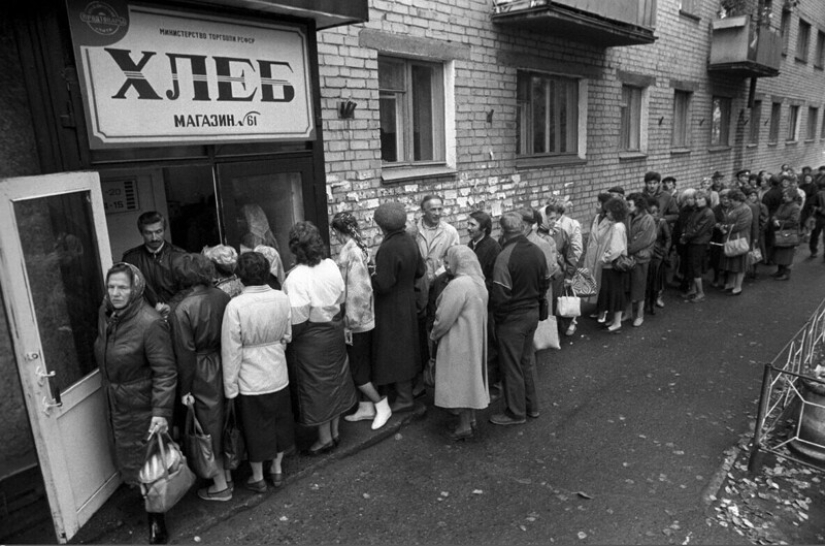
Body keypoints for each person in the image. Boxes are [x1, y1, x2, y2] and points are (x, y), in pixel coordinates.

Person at [93, 263, 177, 544]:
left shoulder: (149, 322)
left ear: (136, 288)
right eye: (111, 286)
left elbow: (165, 371)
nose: (115, 293)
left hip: (143, 406)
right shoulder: (106, 314)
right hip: (117, 402)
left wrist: (161, 412)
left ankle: (157, 520)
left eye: (122, 287)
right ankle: (145, 502)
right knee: (130, 459)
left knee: (151, 464)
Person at [282, 222, 358, 454]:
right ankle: (334, 432)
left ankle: (324, 439)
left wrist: (287, 339)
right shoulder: (330, 265)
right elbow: (342, 296)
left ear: (295, 248)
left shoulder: (295, 278)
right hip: (333, 330)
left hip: (311, 337)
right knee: (335, 381)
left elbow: (298, 318)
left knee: (316, 388)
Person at [222, 252, 294, 493]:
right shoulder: (281, 297)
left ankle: (257, 477)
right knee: (279, 423)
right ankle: (277, 469)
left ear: (240, 276)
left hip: (250, 378)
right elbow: (287, 335)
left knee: (255, 427)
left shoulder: (235, 306)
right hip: (278, 372)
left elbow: (231, 350)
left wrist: (230, 388)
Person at [169, 254, 232, 501]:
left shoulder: (183, 308)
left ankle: (220, 486)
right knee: (224, 420)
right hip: (224, 360)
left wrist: (184, 390)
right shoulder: (222, 296)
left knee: (207, 427)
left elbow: (185, 353)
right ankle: (226, 476)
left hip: (201, 370)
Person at [331, 212, 392, 430]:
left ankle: (381, 405)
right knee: (362, 366)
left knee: (358, 370)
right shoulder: (356, 248)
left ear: (338, 232)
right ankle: (366, 408)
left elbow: (358, 290)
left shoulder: (352, 252)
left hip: (357, 321)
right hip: (361, 319)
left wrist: (350, 321)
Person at [489, 212, 549, 426]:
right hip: (532, 313)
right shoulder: (537, 251)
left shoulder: (504, 257)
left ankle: (515, 412)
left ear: (502, 230)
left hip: (512, 319)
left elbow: (500, 296)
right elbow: (546, 282)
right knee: (527, 361)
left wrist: (500, 319)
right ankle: (532, 407)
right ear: (522, 228)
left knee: (511, 366)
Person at [430, 246, 490, 440]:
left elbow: (444, 317)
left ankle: (464, 427)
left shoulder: (459, 285)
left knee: (460, 382)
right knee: (471, 380)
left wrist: (434, 333)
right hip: (474, 338)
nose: (447, 266)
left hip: (458, 341)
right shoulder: (478, 281)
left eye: (449, 261)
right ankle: (471, 419)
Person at [371, 202, 426, 412]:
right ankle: (404, 392)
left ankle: (403, 398)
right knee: (407, 347)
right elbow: (420, 270)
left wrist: (371, 276)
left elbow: (384, 284)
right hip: (408, 302)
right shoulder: (410, 241)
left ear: (382, 226)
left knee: (395, 350)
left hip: (390, 306)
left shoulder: (388, 247)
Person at [122, 211, 186, 318]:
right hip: (145, 320)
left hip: (177, 317)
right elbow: (127, 293)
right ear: (141, 233)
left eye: (158, 231)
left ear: (164, 230)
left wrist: (171, 306)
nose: (154, 237)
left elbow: (189, 290)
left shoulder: (180, 256)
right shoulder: (131, 259)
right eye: (148, 233)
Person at [467, 210, 502, 398]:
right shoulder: (472, 244)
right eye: (468, 223)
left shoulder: (492, 248)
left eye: (472, 225)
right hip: (474, 302)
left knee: (489, 342)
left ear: (484, 228)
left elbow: (493, 279)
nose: (468, 227)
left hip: (486, 303)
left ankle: (492, 383)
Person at [542, 198, 583, 337]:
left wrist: (569, 275)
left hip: (559, 276)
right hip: (544, 278)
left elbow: (571, 255)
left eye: (555, 218)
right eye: (550, 219)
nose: (553, 221)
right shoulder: (538, 235)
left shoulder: (562, 233)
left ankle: (560, 330)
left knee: (558, 303)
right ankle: (547, 333)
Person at [594, 198, 629, 333]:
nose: (606, 213)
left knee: (615, 293)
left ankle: (617, 322)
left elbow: (615, 249)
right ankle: (614, 320)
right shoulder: (618, 225)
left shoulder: (616, 227)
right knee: (613, 292)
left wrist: (603, 259)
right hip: (613, 266)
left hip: (612, 266)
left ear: (615, 212)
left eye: (608, 211)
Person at [625, 193, 656, 327]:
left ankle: (640, 315)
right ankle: (628, 313)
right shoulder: (629, 217)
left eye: (629, 204)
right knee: (627, 286)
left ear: (638, 205)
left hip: (641, 258)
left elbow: (641, 240)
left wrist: (625, 248)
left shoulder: (648, 219)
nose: (627, 207)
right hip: (630, 256)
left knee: (639, 288)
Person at [680, 191, 716, 302]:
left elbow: (698, 230)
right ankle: (693, 290)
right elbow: (689, 224)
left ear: (706, 200)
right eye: (696, 198)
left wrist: (685, 237)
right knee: (691, 266)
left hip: (699, 243)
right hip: (692, 241)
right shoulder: (696, 210)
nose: (697, 200)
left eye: (701, 198)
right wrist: (684, 233)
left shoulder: (708, 212)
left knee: (696, 267)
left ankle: (700, 293)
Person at [717, 189, 753, 295]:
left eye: (731, 200)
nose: (729, 202)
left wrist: (725, 227)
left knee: (739, 265)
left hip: (740, 239)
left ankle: (738, 287)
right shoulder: (734, 208)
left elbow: (741, 225)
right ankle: (730, 285)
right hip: (732, 238)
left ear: (738, 200)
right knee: (731, 263)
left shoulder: (746, 209)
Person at [582, 193, 614, 295]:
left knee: (600, 289)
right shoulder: (595, 218)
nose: (596, 206)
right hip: (590, 256)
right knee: (585, 288)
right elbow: (591, 239)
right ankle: (587, 307)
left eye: (598, 204)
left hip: (602, 259)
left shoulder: (612, 222)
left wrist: (603, 258)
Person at [645, 198, 671, 315]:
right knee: (648, 280)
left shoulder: (662, 222)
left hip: (659, 254)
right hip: (648, 254)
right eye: (651, 212)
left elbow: (668, 238)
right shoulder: (645, 222)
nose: (653, 214)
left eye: (655, 212)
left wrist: (665, 250)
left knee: (657, 279)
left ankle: (656, 299)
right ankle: (647, 301)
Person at [770, 189, 802, 280]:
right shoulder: (782, 205)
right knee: (779, 252)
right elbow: (775, 215)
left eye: (786, 196)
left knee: (787, 254)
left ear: (792, 197)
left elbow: (794, 221)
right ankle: (780, 271)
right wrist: (774, 219)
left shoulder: (795, 207)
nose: (784, 198)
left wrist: (779, 222)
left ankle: (786, 273)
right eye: (784, 196)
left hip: (788, 232)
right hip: (780, 232)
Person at [810, 178, 825, 259]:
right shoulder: (818, 194)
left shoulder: (817, 194)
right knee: (815, 235)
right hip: (819, 217)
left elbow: (811, 205)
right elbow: (812, 205)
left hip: (818, 217)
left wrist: (818, 209)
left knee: (815, 235)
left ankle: (813, 251)